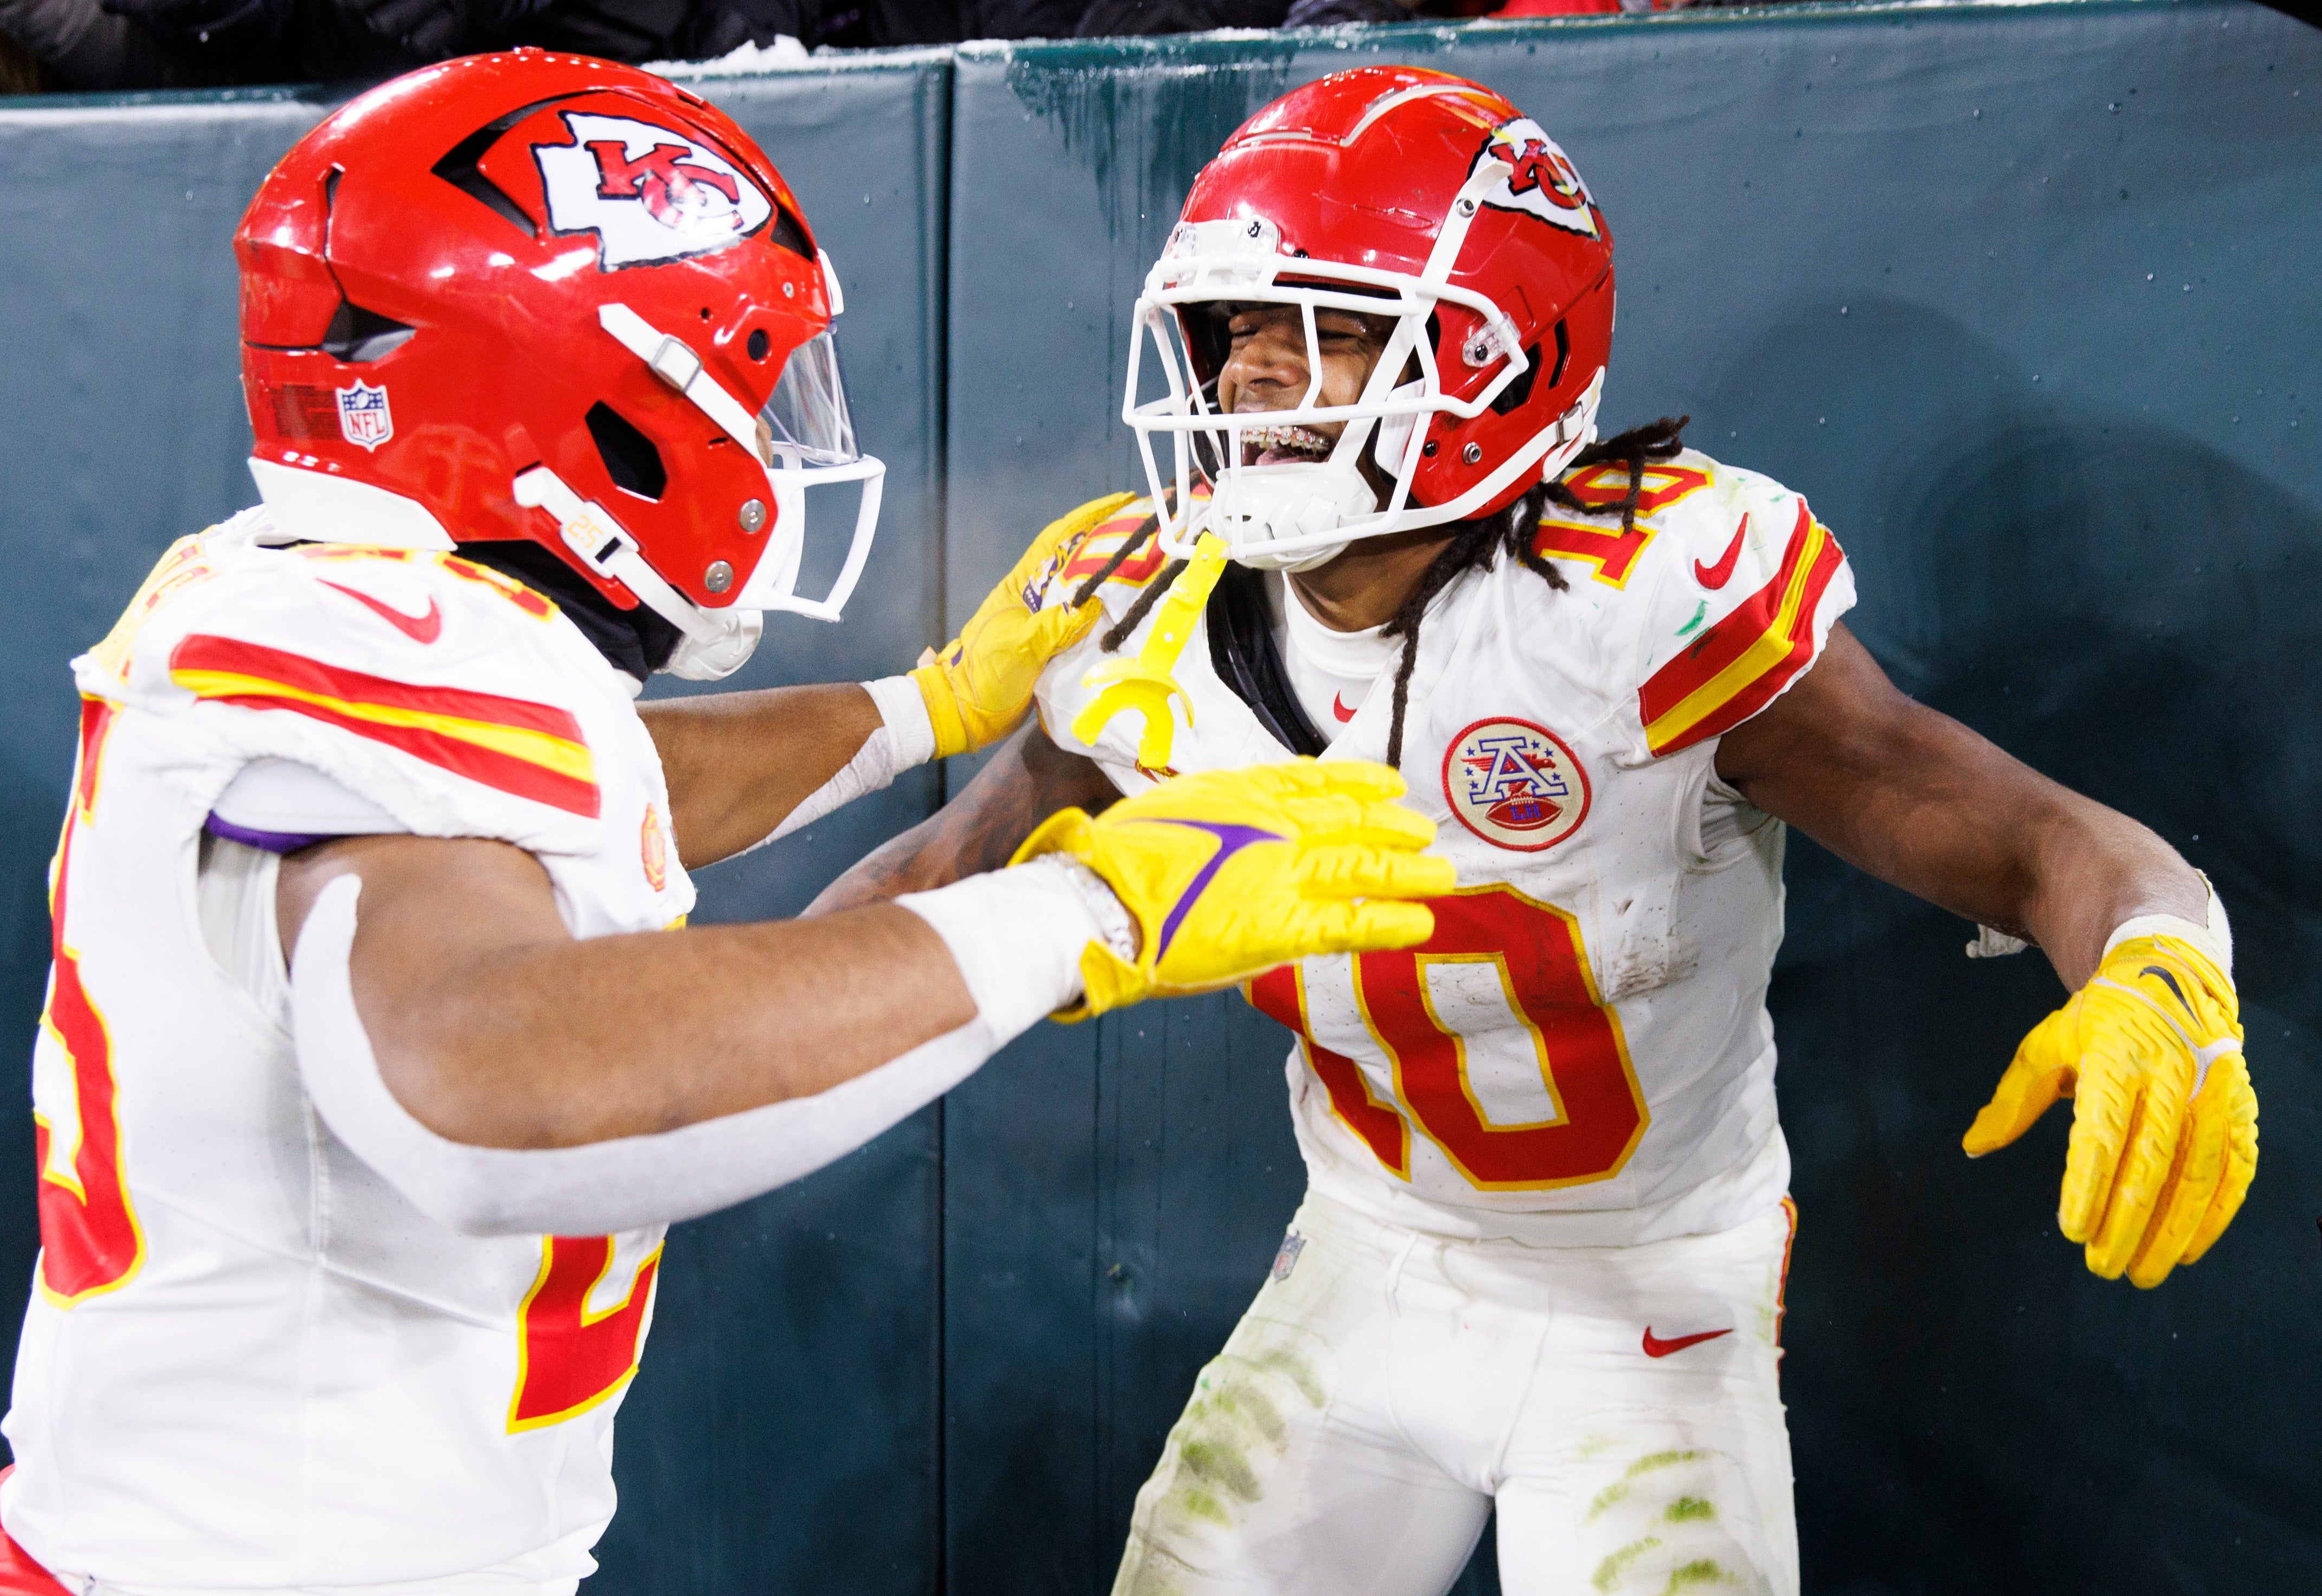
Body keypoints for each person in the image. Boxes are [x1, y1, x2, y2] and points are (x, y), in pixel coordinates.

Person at [0, 50, 1454, 1594]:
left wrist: (930, 706)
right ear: (598, 407)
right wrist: (1087, 913)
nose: (785, 440)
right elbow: (479, 1075)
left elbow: (599, 793)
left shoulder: (331, 601)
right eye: (754, 380)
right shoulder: (367, 638)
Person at [809, 66, 2260, 1595]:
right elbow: (926, 885)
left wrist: (2165, 960)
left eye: (1318, 326)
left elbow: (2039, 841)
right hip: (1367, 1258)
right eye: (1230, 331)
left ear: (1496, 353)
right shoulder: (1140, 612)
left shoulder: (1642, 597)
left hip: (1655, 1295)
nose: (1245, 382)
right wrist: (651, 1080)